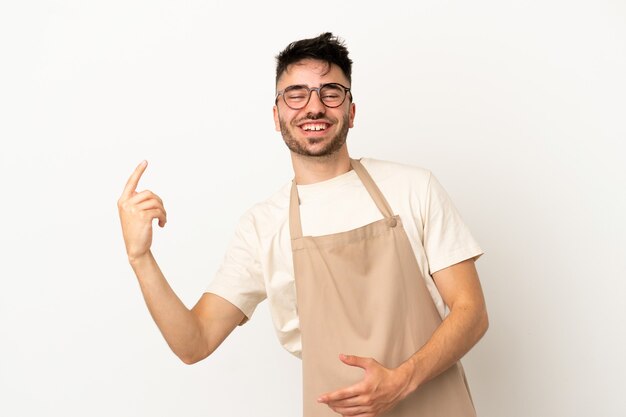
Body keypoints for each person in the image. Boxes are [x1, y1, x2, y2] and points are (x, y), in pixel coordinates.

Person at [118, 32, 489, 417]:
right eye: (296, 94)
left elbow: (471, 312)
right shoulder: (263, 225)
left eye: (331, 92)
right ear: (277, 116)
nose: (314, 107)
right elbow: (194, 343)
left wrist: (402, 380)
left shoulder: (413, 187)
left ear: (351, 111)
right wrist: (140, 256)